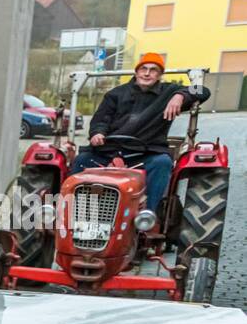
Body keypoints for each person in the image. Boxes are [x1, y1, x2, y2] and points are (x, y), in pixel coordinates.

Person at [67, 53, 209, 211]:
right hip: (109, 151)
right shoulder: (116, 94)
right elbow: (101, 119)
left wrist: (180, 96)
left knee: (163, 163)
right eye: (144, 68)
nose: (147, 73)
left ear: (160, 74)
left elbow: (203, 90)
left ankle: (148, 215)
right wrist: (97, 133)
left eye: (153, 70)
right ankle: (70, 212)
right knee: (82, 159)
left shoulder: (169, 91)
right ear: (137, 72)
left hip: (145, 154)